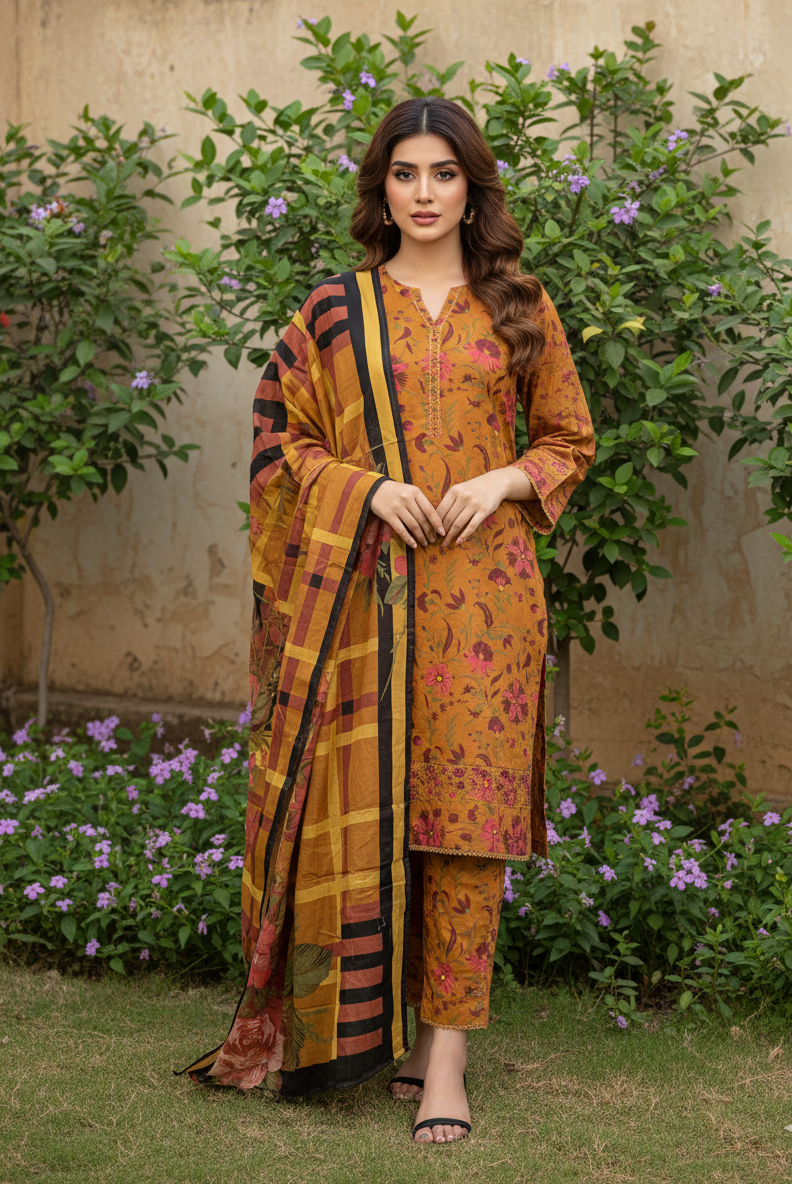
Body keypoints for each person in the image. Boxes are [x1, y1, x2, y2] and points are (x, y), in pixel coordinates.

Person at [181, 96, 594, 1146]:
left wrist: (505, 476)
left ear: (471, 188)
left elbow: (568, 438)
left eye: (442, 174)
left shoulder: (520, 306)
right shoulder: (334, 310)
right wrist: (363, 490)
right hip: (362, 601)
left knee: (464, 823)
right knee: (371, 810)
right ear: (382, 189)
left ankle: (444, 1056)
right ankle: (381, 1027)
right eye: (404, 174)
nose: (422, 193)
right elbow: (280, 441)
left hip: (488, 605)